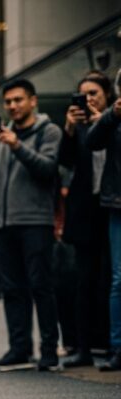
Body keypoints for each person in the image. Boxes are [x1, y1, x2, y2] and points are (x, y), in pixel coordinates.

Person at [0, 78, 63, 372]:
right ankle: (19, 347)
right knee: (12, 289)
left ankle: (49, 349)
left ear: (33, 101)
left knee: (41, 286)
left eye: (18, 100)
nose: (12, 106)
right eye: (8, 102)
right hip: (2, 222)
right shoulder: (1, 137)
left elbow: (48, 170)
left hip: (35, 220)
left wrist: (17, 146)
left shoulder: (49, 131)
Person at [59, 71, 114, 368]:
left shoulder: (113, 122)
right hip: (85, 211)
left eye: (94, 93)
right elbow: (65, 163)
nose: (89, 99)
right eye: (83, 94)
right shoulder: (77, 128)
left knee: (112, 277)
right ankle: (83, 346)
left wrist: (103, 122)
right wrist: (69, 129)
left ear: (107, 95)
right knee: (84, 280)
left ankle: (108, 341)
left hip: (112, 207)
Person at [89, 71, 121, 371]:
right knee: (118, 278)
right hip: (117, 204)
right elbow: (92, 142)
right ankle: (117, 346)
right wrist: (112, 115)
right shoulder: (114, 117)